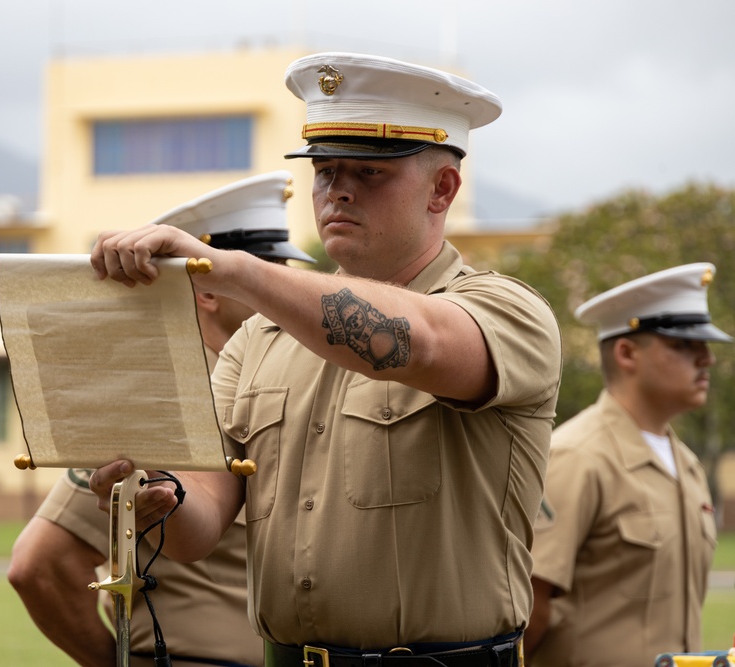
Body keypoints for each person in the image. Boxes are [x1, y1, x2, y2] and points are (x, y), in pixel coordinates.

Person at [88, 52, 562, 666]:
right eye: (325, 170)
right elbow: (200, 526)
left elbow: (413, 341)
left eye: (370, 172)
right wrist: (155, 496)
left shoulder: (504, 310)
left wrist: (228, 268)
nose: (338, 189)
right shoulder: (259, 338)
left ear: (442, 189)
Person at [7, 171, 316, 667]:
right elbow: (39, 565)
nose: (280, 286)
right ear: (208, 290)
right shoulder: (153, 401)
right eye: (260, 270)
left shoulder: (273, 383)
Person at [525, 263, 731, 667]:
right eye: (684, 345)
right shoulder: (577, 456)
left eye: (704, 346)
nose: (706, 359)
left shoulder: (686, 466)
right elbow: (530, 606)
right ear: (626, 353)